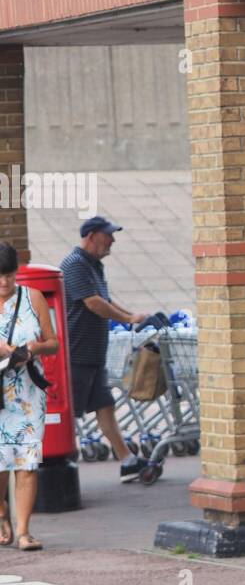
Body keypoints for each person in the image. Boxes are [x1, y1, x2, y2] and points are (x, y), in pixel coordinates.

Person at [60, 217, 146, 482]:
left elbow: (105, 300)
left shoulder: (93, 265)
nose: (112, 240)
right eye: (107, 235)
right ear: (91, 236)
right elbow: (93, 303)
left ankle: (127, 461)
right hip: (78, 353)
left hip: (94, 354)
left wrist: (133, 315)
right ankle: (54, 463)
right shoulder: (75, 265)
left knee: (105, 406)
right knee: (68, 415)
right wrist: (128, 319)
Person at [0, 243, 59, 549]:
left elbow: (54, 342)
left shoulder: (32, 297)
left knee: (26, 460)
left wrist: (34, 348)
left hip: (27, 393)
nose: (4, 283)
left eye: (9, 275)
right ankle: (1, 516)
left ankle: (23, 531)